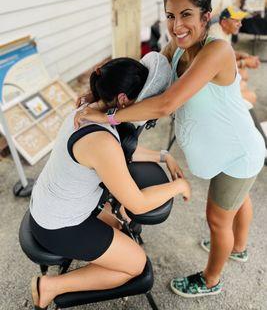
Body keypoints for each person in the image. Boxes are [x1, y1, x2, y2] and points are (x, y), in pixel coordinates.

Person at [75, 0, 265, 299]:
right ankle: (239, 246)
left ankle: (211, 279)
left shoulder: (215, 51)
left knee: (218, 219)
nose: (177, 25)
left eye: (186, 15)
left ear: (206, 16)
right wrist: (100, 91)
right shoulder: (176, 49)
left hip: (239, 150)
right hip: (222, 147)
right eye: (170, 16)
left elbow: (165, 104)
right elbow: (142, 75)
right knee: (239, 199)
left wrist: (109, 115)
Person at [29, 52, 191, 309]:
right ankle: (50, 286)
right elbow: (137, 202)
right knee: (137, 264)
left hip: (50, 206)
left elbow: (120, 151)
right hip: (58, 226)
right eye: (141, 101)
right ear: (124, 99)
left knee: (120, 221)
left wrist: (164, 156)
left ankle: (99, 263)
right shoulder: (100, 138)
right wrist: (178, 186)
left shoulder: (89, 110)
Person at [210, 6, 260, 104]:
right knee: (251, 97)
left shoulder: (225, 30)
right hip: (213, 83)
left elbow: (227, 53)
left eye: (240, 21)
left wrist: (242, 55)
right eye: (236, 21)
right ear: (224, 22)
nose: (240, 24)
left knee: (243, 77)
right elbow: (219, 69)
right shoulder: (216, 37)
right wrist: (244, 62)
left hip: (218, 76)